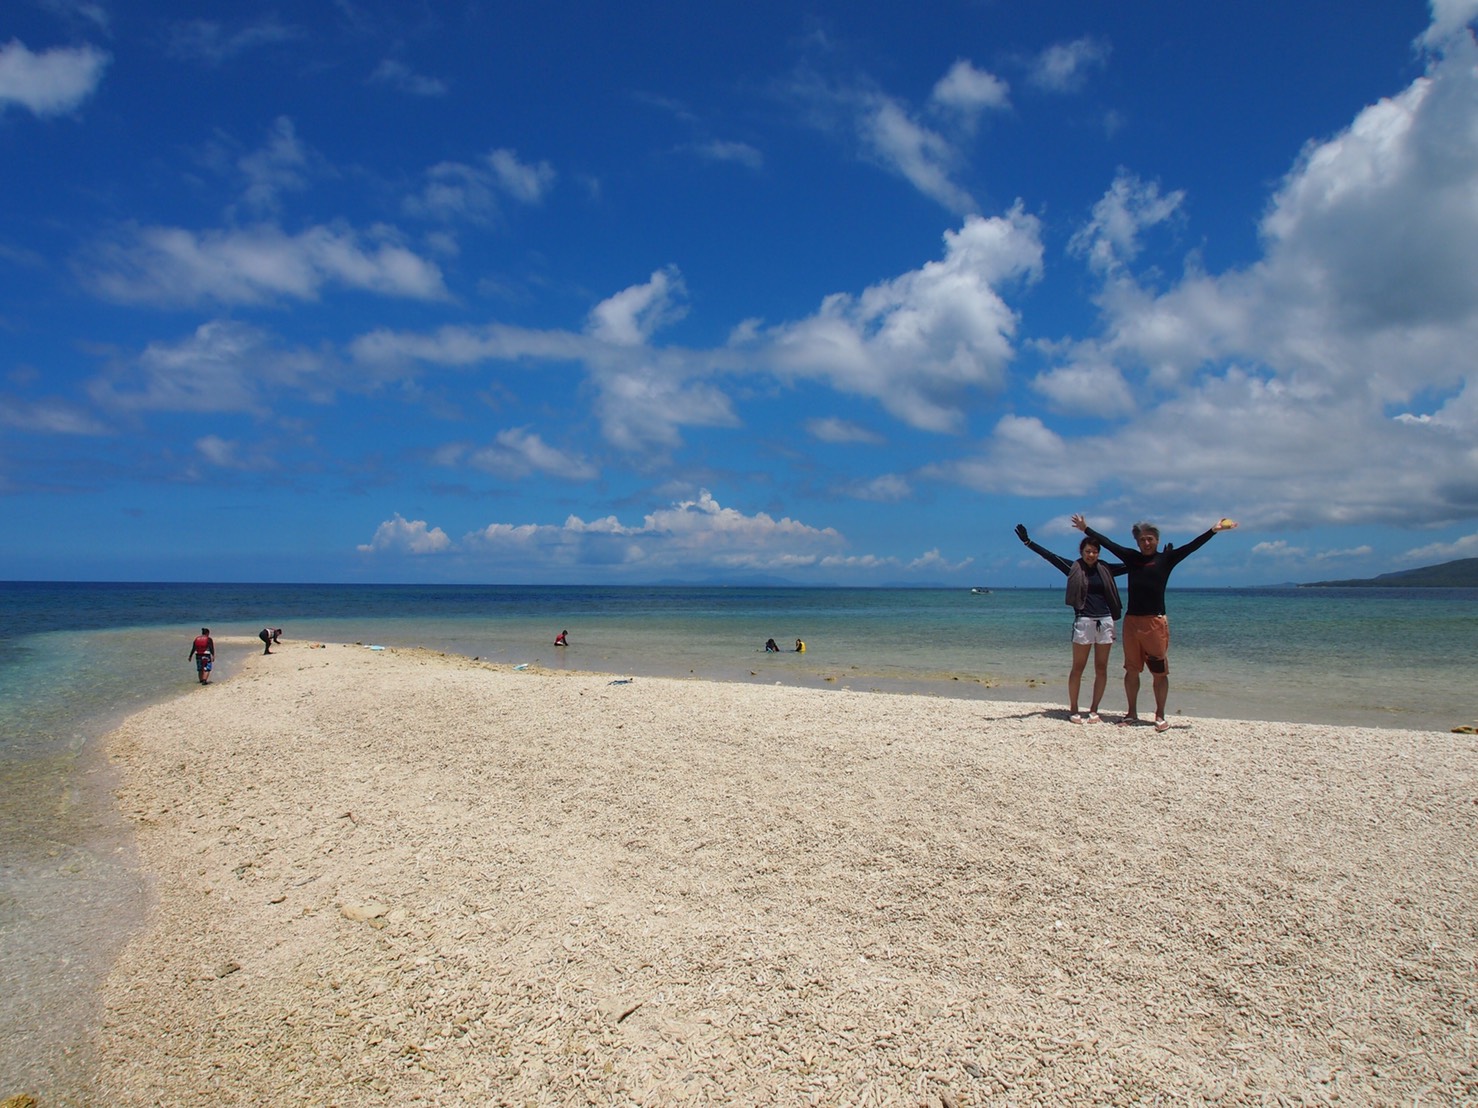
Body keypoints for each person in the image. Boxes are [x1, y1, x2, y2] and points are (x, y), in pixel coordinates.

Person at [1072, 513, 1236, 731]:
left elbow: (1191, 547)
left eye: (1150, 539)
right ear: (1137, 542)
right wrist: (1086, 529)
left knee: (1159, 671)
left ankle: (1160, 715)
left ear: (1157, 540)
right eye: (1142, 539)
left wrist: (1213, 530)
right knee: (1131, 670)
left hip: (1155, 623)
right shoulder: (1132, 558)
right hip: (1132, 622)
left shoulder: (1165, 559)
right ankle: (1131, 713)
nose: (1146, 543)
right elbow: (1109, 544)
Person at [1015, 523, 1127, 724]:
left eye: (1094, 551)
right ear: (1081, 552)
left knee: (1102, 668)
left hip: (1105, 621)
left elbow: (1133, 564)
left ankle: (1094, 710)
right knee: (1078, 667)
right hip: (1083, 621)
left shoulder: (1106, 569)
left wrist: (1154, 558)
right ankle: (1074, 708)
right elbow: (1050, 556)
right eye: (1087, 551)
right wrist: (1028, 542)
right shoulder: (1073, 567)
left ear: (1099, 553)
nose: (1091, 555)